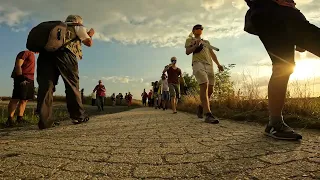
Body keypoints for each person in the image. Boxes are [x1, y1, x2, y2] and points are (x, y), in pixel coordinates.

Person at [243, 0, 314, 140]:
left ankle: (274, 124)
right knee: (283, 66)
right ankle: (275, 123)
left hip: (286, 12)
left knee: (284, 67)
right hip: (268, 11)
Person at [36, 15, 93, 129]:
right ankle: (78, 116)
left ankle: (44, 121)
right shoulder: (77, 26)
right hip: (65, 54)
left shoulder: (55, 27)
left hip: (44, 56)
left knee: (46, 87)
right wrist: (90, 34)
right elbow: (88, 43)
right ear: (77, 21)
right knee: (72, 85)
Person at [185, 24, 224, 123]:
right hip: (198, 63)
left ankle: (201, 107)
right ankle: (208, 114)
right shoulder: (190, 40)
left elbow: (212, 54)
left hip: (209, 65)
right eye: (197, 28)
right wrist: (196, 45)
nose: (199, 29)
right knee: (204, 84)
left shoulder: (207, 42)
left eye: (201, 28)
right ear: (193, 31)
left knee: (210, 90)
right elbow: (187, 51)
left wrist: (218, 64)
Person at [6, 50, 37, 127]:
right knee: (15, 98)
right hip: (22, 78)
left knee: (24, 99)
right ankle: (9, 120)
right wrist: (21, 78)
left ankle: (20, 119)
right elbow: (18, 65)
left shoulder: (32, 55)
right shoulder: (25, 53)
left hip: (30, 79)